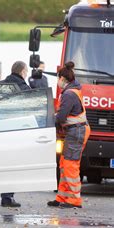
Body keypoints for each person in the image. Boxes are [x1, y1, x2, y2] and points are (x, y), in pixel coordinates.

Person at [0, 61, 30, 208]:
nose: (26, 74)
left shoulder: (0, 85)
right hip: (15, 129)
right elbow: (32, 108)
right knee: (11, 163)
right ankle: (7, 198)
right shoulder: (24, 88)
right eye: (26, 72)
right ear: (22, 72)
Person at [47, 61, 90, 209]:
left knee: (70, 165)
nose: (57, 82)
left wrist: (48, 120)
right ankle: (62, 198)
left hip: (76, 131)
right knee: (64, 163)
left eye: (58, 79)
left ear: (62, 79)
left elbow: (61, 117)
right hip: (76, 131)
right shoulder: (72, 91)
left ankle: (73, 200)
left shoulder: (69, 94)